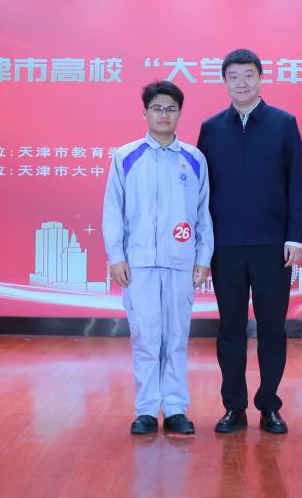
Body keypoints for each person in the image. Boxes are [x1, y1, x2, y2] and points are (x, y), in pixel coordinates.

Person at [196, 49, 302, 435]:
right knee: (230, 328)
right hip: (225, 246)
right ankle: (235, 407)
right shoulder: (211, 129)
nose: (241, 83)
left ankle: (269, 405)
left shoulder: (283, 124)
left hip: (272, 246)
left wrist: (295, 236)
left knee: (272, 328)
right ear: (224, 81)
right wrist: (202, 245)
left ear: (260, 78)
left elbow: (297, 184)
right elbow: (201, 192)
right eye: (233, 77)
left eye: (248, 75)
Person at [103, 80, 213, 436]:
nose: (164, 115)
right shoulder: (126, 156)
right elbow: (112, 210)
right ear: (145, 113)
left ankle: (176, 408)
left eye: (171, 109)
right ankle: (147, 410)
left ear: (180, 114)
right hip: (139, 265)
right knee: (146, 338)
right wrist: (116, 255)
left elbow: (203, 213)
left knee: (177, 338)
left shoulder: (193, 159)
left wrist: (203, 257)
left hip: (181, 263)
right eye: (157, 108)